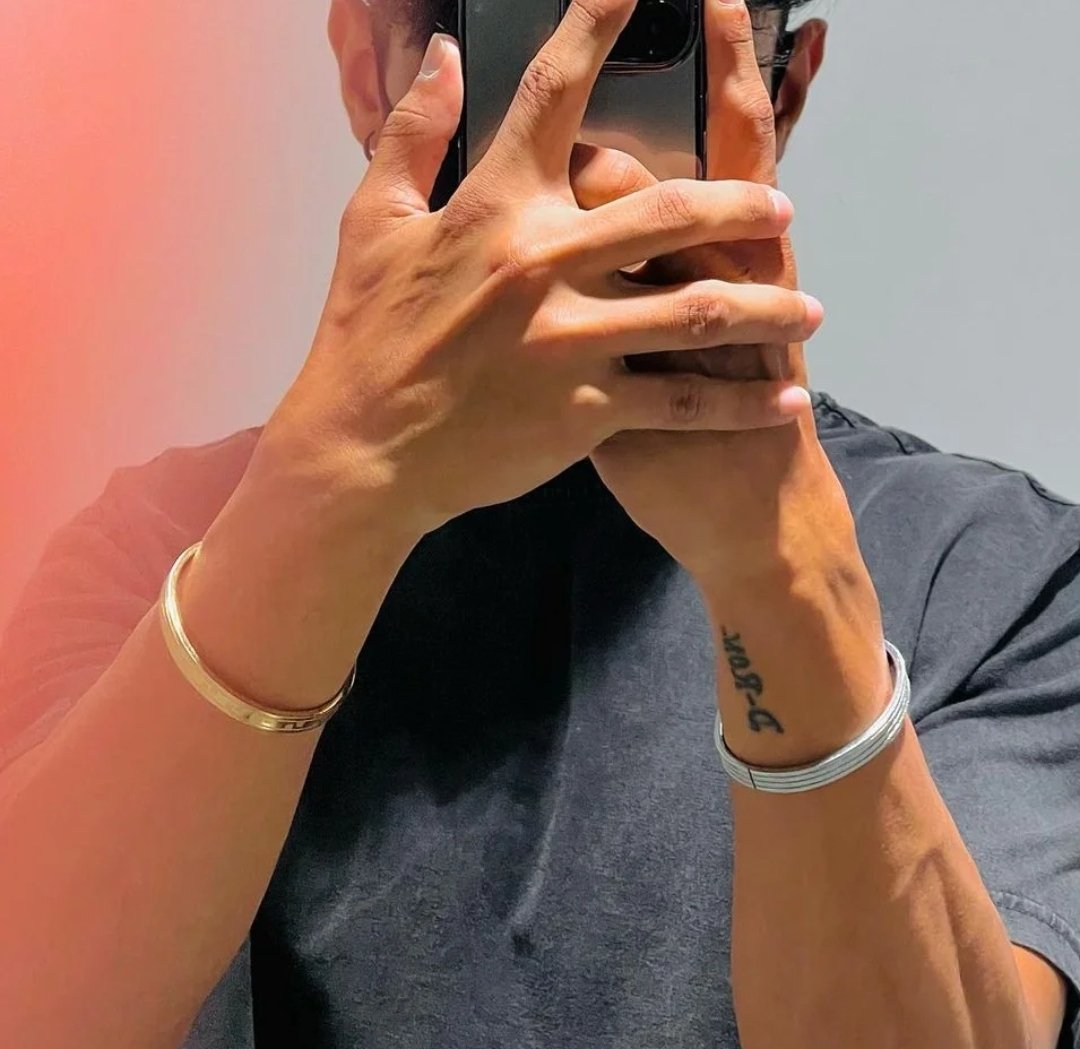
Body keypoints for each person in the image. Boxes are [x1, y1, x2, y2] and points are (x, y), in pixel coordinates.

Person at [0, 0, 1077, 1046]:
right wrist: (334, 490)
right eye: (519, 31)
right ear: (372, 73)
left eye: (655, 35)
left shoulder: (997, 580)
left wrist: (781, 567)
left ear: (781, 93)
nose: (584, 133)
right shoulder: (148, 549)